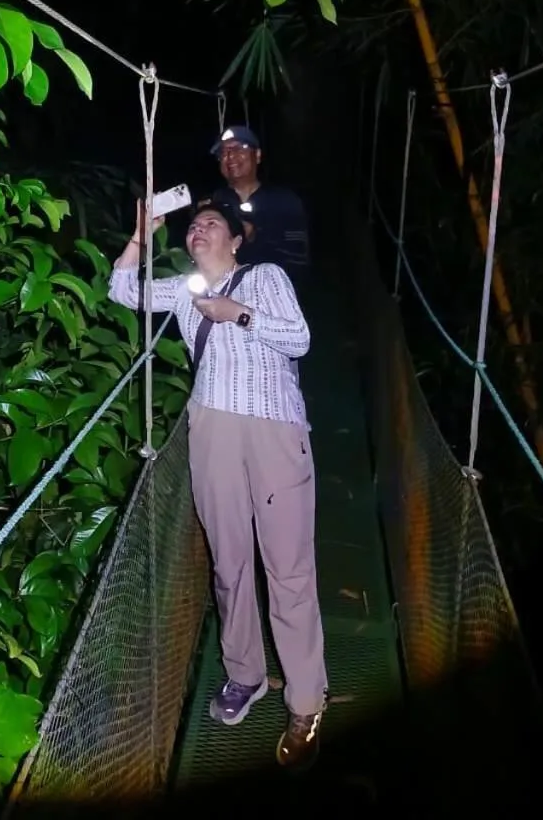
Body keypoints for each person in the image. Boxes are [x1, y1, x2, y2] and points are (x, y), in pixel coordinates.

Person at [108, 199, 328, 770]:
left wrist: (240, 314)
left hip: (274, 427)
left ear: (236, 239)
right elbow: (123, 292)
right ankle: (245, 675)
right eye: (193, 225)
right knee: (229, 565)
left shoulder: (266, 277)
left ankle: (307, 701)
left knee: (288, 570)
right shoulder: (184, 288)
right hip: (211, 431)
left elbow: (299, 338)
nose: (198, 229)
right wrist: (139, 235)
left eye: (211, 224)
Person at [207, 125, 309, 280]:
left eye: (240, 148)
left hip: (274, 292)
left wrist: (254, 236)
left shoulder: (284, 200)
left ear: (258, 155)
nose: (230, 155)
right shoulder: (214, 203)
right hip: (223, 294)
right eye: (223, 152)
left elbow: (298, 259)